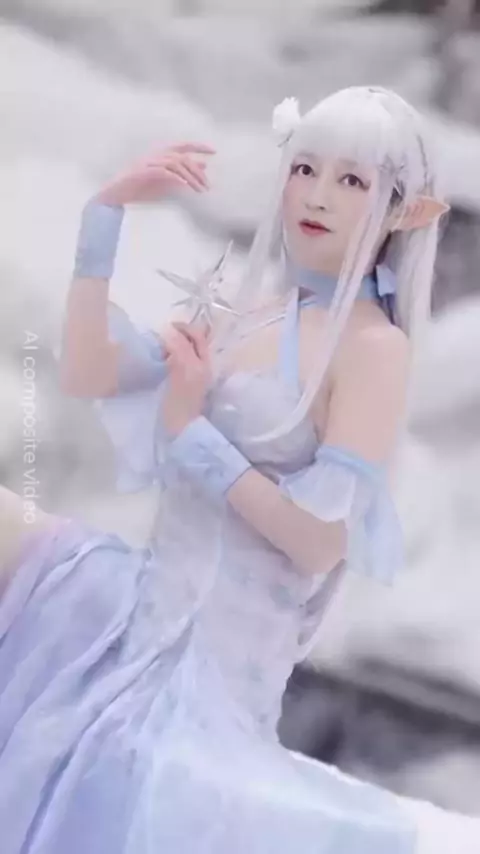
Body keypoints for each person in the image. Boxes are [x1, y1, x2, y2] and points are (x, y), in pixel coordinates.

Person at [0, 86, 475, 853]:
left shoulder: (373, 350)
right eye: (306, 169)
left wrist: (192, 434)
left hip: (216, 677)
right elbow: (89, 372)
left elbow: (318, 540)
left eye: (352, 180)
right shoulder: (242, 312)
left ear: (404, 211)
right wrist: (103, 219)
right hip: (131, 622)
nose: (317, 196)